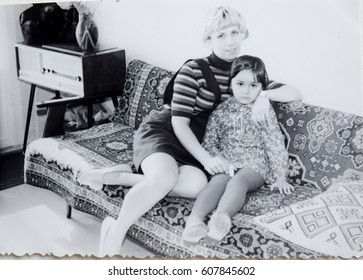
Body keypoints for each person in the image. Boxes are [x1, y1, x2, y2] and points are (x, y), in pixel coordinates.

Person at [77, 7, 302, 256]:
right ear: (209, 39)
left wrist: (264, 96)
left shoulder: (244, 73)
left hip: (197, 144)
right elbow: (179, 124)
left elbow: (294, 93)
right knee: (163, 177)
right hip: (167, 133)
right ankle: (115, 232)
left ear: (243, 34)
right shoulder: (193, 70)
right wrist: (206, 158)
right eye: (221, 35)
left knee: (195, 186)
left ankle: (116, 176)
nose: (230, 42)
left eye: (234, 33)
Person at [182, 55, 295, 245]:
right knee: (218, 182)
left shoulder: (263, 109)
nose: (246, 91)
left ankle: (220, 220)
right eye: (240, 84)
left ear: (261, 88)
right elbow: (209, 140)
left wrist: (281, 176)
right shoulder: (221, 110)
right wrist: (217, 159)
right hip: (228, 160)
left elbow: (274, 143)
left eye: (254, 86)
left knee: (238, 181)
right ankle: (194, 222)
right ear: (231, 83)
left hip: (255, 162)